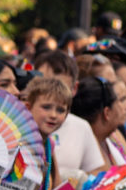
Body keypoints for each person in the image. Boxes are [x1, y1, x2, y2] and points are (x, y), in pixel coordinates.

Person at [33, 50, 105, 178]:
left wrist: (78, 180)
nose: (51, 94)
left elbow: (98, 172)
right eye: (43, 85)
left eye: (60, 88)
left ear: (74, 89)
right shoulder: (17, 126)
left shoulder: (81, 127)